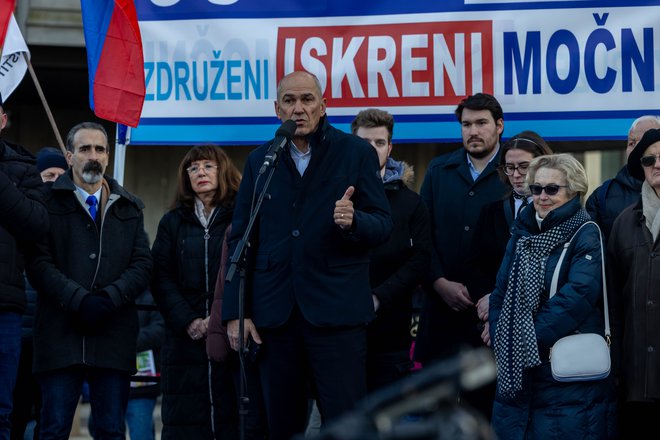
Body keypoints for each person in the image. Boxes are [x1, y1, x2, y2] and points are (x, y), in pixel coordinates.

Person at [223, 70, 392, 440]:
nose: (298, 109)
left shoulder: (355, 152)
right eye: (289, 101)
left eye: (307, 100)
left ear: (323, 105)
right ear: (276, 108)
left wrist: (354, 222)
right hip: (275, 316)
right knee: (280, 426)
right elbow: (242, 239)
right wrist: (237, 313)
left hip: (336, 313)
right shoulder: (260, 160)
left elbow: (382, 224)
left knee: (347, 426)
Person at [26, 121, 152, 440]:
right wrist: (79, 300)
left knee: (110, 429)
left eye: (99, 148)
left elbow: (142, 263)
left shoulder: (130, 207)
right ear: (70, 157)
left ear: (108, 156)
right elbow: (38, 263)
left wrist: (110, 297)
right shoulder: (46, 203)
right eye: (84, 149)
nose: (92, 155)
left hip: (113, 337)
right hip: (59, 337)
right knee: (52, 428)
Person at [489, 153, 613, 439]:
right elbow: (500, 293)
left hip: (565, 375)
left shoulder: (586, 232)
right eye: (536, 188)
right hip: (517, 369)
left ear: (574, 190)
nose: (542, 196)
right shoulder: (521, 234)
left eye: (552, 189)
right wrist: (502, 335)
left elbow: (578, 295)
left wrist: (525, 336)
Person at [413, 93, 507, 417]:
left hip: (490, 319)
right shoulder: (440, 170)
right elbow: (421, 236)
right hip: (440, 316)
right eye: (466, 124)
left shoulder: (514, 172)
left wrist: (494, 296)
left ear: (499, 126)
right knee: (434, 414)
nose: (473, 131)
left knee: (481, 413)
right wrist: (439, 282)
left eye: (481, 123)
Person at [151, 145, 241, 439]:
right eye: (193, 168)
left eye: (207, 166)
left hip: (231, 332)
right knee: (186, 422)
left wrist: (221, 318)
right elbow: (161, 277)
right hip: (184, 340)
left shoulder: (241, 216)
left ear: (223, 171)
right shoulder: (172, 222)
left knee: (235, 418)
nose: (200, 172)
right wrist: (188, 320)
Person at [350, 108, 432, 392]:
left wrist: (378, 297)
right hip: (340, 331)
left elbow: (420, 258)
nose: (372, 150)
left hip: (392, 330)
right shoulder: (335, 195)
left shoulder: (412, 203)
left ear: (390, 147)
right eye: (365, 143)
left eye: (380, 143)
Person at [468, 131, 553, 347]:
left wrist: (500, 307)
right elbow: (475, 265)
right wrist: (491, 312)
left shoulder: (557, 213)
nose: (516, 174)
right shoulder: (490, 212)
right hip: (491, 325)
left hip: (542, 322)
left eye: (524, 166)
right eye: (510, 167)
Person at [0, 95, 49, 439]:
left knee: (3, 410)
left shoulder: (22, 166)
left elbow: (36, 224)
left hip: (5, 307)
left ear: (3, 121)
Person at [10, 148, 67, 440]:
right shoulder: (25, 215)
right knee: (15, 412)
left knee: (50, 417)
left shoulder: (69, 217)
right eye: (48, 175)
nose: (54, 181)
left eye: (60, 176)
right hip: (21, 334)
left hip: (53, 338)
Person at [607, 128, 660, 435]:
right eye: (649, 159)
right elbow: (613, 305)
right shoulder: (624, 222)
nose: (657, 164)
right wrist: (616, 366)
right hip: (635, 378)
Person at [586, 115, 660, 241]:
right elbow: (592, 248)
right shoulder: (603, 195)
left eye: (644, 141)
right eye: (631, 143)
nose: (636, 147)